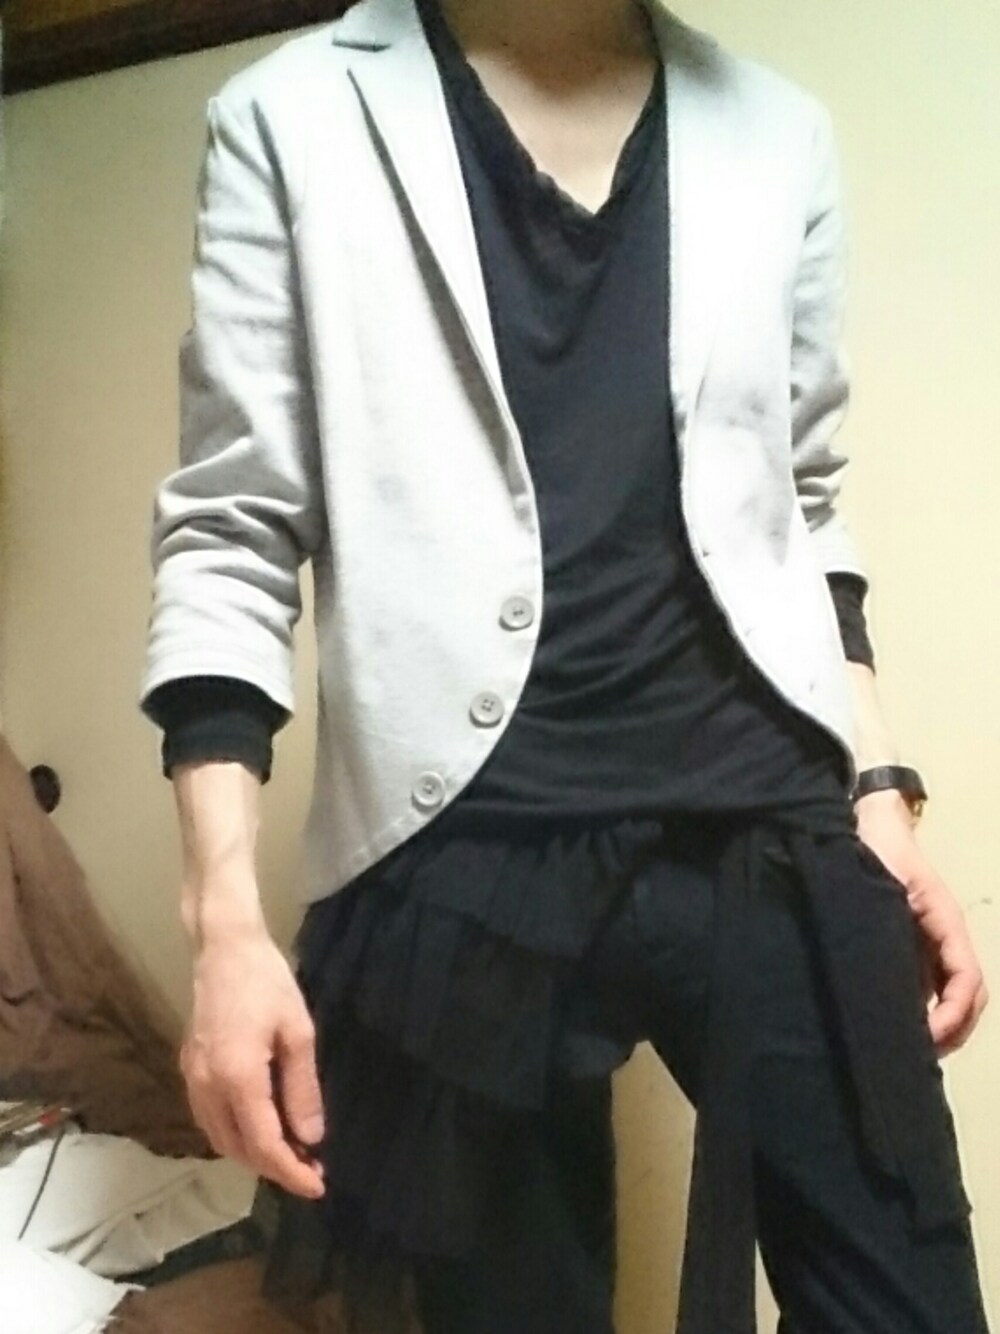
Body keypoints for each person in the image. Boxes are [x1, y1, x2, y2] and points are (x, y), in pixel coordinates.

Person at [139, 0, 992, 1330]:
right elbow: (231, 529)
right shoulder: (287, 119)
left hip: (766, 819)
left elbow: (804, 502)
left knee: (912, 1298)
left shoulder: (779, 132)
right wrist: (226, 929)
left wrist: (879, 792)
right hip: (457, 860)